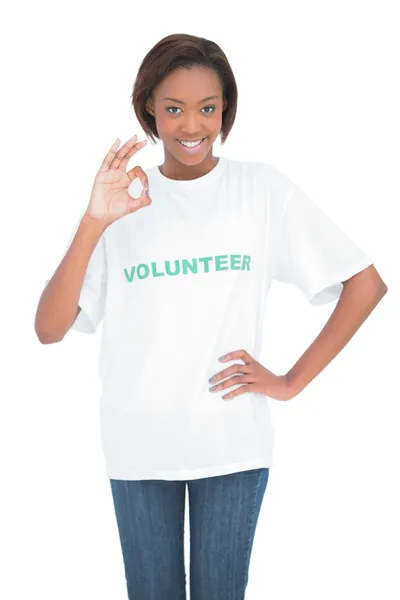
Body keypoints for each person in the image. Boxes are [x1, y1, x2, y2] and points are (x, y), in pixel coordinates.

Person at [35, 33, 388, 600]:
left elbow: (365, 283)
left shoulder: (261, 189)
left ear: (226, 109)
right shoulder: (125, 198)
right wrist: (94, 221)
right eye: (174, 108)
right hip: (139, 445)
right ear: (149, 105)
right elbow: (49, 329)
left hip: (232, 445)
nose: (192, 126)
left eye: (208, 108)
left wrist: (291, 382)